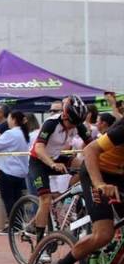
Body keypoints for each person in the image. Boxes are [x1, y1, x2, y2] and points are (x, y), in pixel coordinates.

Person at [48, 116, 124, 264]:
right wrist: (99, 184)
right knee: (104, 234)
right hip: (97, 172)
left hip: (120, 177)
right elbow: (90, 150)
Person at [27, 96, 90, 243]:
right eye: (71, 123)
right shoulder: (51, 123)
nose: (72, 127)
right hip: (39, 161)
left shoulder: (77, 124)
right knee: (45, 200)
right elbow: (39, 148)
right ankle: (40, 244)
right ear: (65, 115)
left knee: (85, 167)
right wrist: (52, 164)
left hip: (56, 157)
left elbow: (92, 145)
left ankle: (64, 197)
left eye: (76, 124)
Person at [0, 110, 30, 233]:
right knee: (17, 199)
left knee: (9, 200)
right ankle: (18, 224)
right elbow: (7, 144)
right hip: (20, 172)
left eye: (9, 118)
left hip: (8, 171)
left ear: (14, 119)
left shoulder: (11, 133)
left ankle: (14, 225)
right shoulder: (23, 133)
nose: (8, 121)